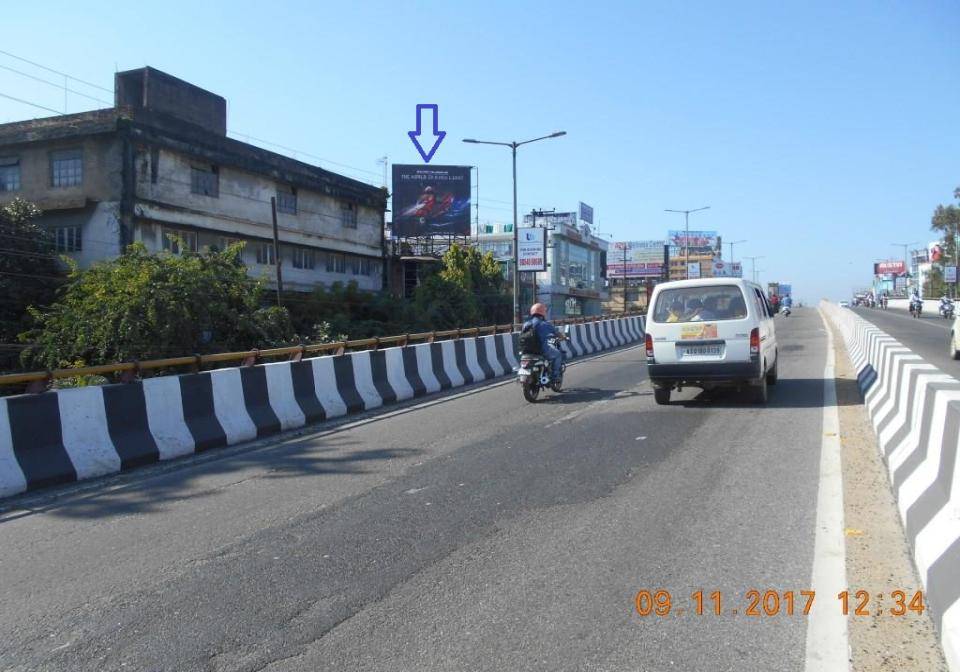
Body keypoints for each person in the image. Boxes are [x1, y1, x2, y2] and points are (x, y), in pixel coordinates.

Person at [523, 303, 564, 386]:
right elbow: (557, 334)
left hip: (526, 351)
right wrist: (563, 337)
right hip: (541, 350)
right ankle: (555, 377)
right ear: (543, 313)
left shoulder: (526, 324)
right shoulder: (545, 324)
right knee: (558, 355)